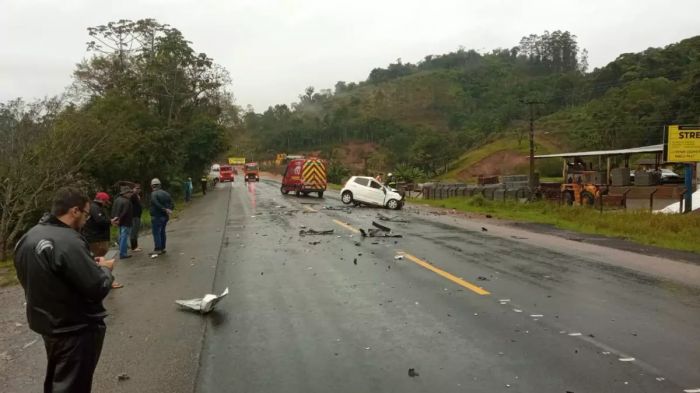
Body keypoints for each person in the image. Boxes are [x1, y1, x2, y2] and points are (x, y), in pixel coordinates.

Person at [14, 187, 115, 393]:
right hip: (74, 329)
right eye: (86, 214)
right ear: (74, 211)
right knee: (73, 385)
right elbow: (97, 287)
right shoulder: (68, 240)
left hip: (48, 325)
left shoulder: (29, 237)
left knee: (60, 378)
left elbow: (42, 274)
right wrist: (105, 268)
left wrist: (85, 264)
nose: (87, 219)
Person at [83, 192, 122, 289]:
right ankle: (108, 281)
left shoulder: (95, 207)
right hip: (97, 239)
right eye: (106, 201)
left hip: (96, 238)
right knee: (101, 261)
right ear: (102, 200)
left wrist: (109, 221)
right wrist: (110, 221)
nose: (106, 203)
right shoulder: (95, 208)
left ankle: (103, 281)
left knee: (97, 260)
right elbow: (100, 221)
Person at [150, 178, 174, 257]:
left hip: (157, 216)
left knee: (156, 233)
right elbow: (172, 204)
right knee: (162, 232)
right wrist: (169, 210)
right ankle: (163, 248)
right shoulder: (166, 193)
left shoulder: (153, 194)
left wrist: (164, 209)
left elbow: (155, 203)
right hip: (165, 217)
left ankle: (158, 249)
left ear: (152, 186)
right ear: (160, 185)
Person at [111, 185, 133, 260]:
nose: (130, 194)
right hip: (126, 222)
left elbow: (113, 210)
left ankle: (122, 252)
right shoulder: (127, 201)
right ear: (125, 193)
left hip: (119, 221)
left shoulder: (117, 200)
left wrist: (115, 219)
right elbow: (125, 212)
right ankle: (123, 253)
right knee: (124, 237)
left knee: (121, 237)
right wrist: (120, 219)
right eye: (129, 193)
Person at [130, 184, 143, 253]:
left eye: (139, 188)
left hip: (137, 216)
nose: (138, 190)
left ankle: (136, 245)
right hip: (133, 216)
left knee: (136, 231)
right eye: (136, 188)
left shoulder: (137, 196)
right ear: (133, 189)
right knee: (133, 231)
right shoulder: (132, 195)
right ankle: (133, 247)